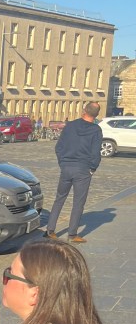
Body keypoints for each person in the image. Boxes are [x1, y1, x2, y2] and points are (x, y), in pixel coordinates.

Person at [44, 101, 102, 243]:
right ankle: (72, 234)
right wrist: (92, 168)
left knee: (59, 198)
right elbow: (96, 153)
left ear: (84, 110)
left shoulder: (70, 125)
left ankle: (50, 230)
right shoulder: (96, 130)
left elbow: (59, 147)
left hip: (66, 167)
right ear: (97, 115)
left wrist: (62, 163)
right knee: (78, 202)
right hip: (83, 169)